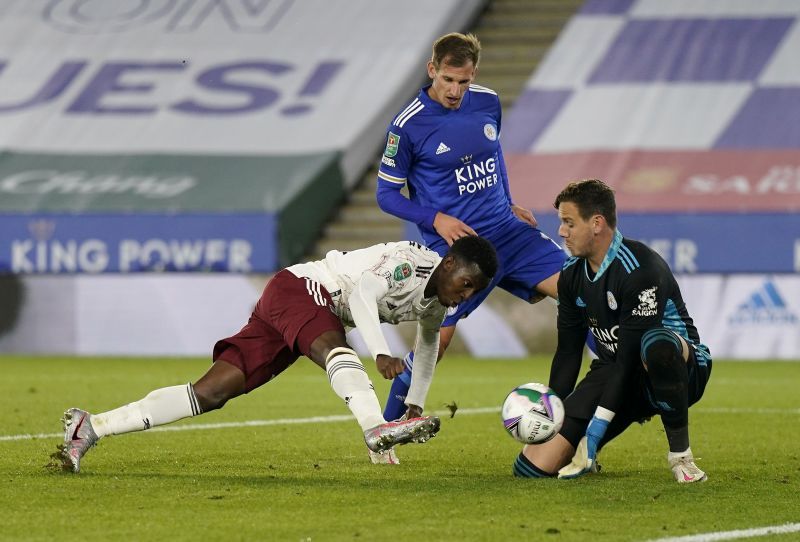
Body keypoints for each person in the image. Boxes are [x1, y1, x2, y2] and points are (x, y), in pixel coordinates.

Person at [59, 236, 498, 473]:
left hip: (295, 307)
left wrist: (415, 402)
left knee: (211, 393)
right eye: (465, 282)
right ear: (448, 263)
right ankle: (374, 431)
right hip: (304, 290)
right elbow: (364, 294)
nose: (466, 294)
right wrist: (381, 354)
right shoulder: (408, 261)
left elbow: (426, 346)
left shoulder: (440, 302)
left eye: (474, 291)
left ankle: (91, 426)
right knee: (335, 351)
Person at [375, 32, 569, 421]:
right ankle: (387, 431)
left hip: (510, 234)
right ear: (433, 70)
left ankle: (616, 387)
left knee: (582, 293)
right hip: (459, 251)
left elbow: (494, 153)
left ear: (473, 74)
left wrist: (509, 202)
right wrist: (434, 218)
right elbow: (386, 194)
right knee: (435, 344)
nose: (454, 90)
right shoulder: (407, 125)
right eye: (447, 80)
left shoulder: (487, 101)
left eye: (462, 81)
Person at [513, 179, 712, 483]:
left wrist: (594, 430)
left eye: (568, 222)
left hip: (676, 369)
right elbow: (568, 352)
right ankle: (584, 448)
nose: (561, 232)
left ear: (596, 223)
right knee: (533, 469)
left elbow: (629, 360)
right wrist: (550, 410)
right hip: (615, 373)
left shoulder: (641, 269)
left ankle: (681, 458)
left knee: (655, 345)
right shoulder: (570, 276)